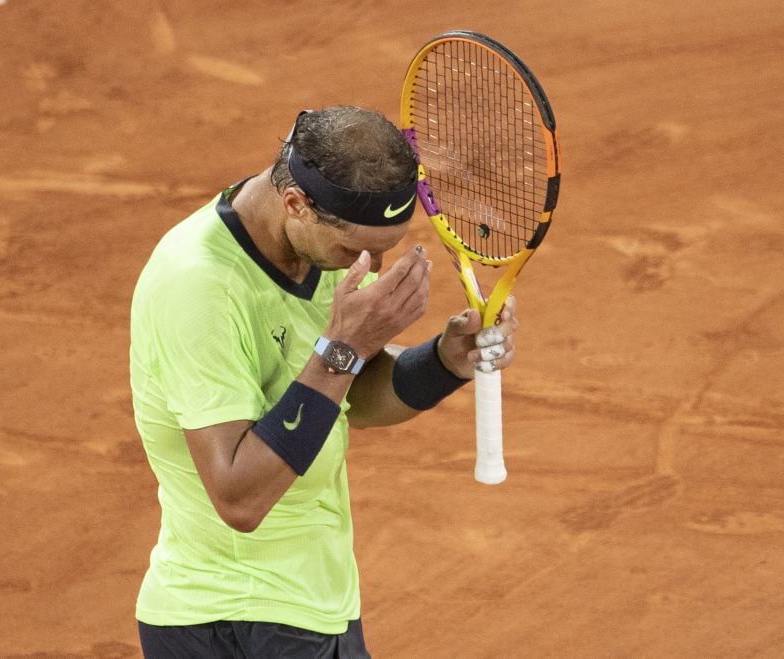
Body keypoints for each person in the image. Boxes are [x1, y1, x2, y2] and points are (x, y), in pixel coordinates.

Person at [130, 106, 519, 658]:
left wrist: (442, 361)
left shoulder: (317, 245)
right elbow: (239, 497)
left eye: (384, 247)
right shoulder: (199, 289)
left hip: (307, 603)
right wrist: (345, 348)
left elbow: (345, 397)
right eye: (355, 249)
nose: (371, 263)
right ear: (297, 204)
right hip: (239, 619)